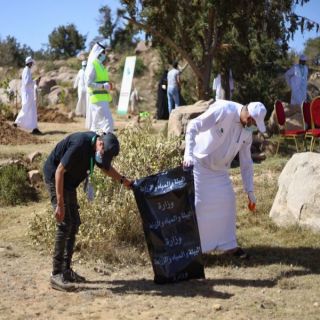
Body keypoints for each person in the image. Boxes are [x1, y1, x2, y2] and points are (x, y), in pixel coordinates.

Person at [43, 131, 132, 291]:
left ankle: (66, 270)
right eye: (103, 155)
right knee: (65, 223)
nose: (103, 160)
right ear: (100, 144)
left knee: (74, 223)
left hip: (69, 183)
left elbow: (106, 168)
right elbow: (59, 171)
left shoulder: (97, 149)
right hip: (55, 177)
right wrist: (60, 203)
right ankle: (56, 274)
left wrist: (123, 181)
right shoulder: (80, 144)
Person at [183, 100, 267, 257]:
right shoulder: (224, 110)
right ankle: (197, 249)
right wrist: (188, 153)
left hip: (220, 170)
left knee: (228, 202)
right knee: (199, 205)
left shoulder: (247, 131)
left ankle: (229, 246)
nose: (254, 127)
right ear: (248, 116)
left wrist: (249, 190)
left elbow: (246, 162)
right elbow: (193, 125)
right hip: (201, 164)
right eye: (254, 123)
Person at [85, 42, 114, 133]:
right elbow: (88, 83)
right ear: (98, 53)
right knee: (108, 123)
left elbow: (101, 81)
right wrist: (102, 86)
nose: (104, 55)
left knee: (96, 126)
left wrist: (107, 85)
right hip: (98, 99)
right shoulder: (93, 65)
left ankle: (92, 146)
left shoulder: (100, 65)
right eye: (103, 53)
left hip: (102, 98)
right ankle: (108, 145)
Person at [14, 56, 41, 134]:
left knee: (32, 110)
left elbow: (28, 82)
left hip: (29, 94)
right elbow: (26, 83)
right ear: (29, 63)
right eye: (31, 63)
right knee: (26, 109)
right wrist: (35, 81)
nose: (32, 64)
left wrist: (34, 81)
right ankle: (17, 123)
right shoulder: (26, 71)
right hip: (27, 94)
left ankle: (34, 128)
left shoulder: (27, 70)